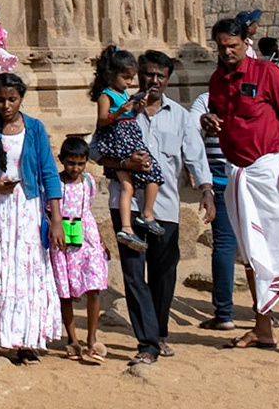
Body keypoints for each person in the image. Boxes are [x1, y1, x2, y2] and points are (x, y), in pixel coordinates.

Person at [205, 17, 279, 357]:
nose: (227, 52)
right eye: (222, 47)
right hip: (238, 175)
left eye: (233, 46)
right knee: (253, 254)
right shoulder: (216, 81)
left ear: (244, 43)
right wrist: (206, 122)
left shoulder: (268, 73)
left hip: (272, 169)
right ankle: (262, 327)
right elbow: (216, 120)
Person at [110, 49, 214, 365]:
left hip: (165, 207)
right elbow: (97, 150)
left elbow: (196, 157)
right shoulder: (120, 111)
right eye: (148, 75)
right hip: (126, 207)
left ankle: (160, 332)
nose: (154, 81)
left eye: (160, 76)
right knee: (132, 274)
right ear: (138, 76)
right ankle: (147, 343)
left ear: (167, 80)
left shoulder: (181, 116)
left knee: (163, 272)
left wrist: (207, 191)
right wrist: (122, 162)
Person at [0, 73, 64, 364]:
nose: (6, 105)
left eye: (12, 99)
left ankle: (25, 341)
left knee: (25, 274)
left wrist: (56, 218)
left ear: (21, 98)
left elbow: (48, 172)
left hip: (27, 207)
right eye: (0, 99)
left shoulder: (34, 129)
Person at [87, 46, 162, 252]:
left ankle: (146, 215)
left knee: (153, 172)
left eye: (131, 78)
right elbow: (102, 121)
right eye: (125, 77)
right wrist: (121, 110)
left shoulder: (123, 92)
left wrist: (137, 107)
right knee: (127, 185)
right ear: (112, 74)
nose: (129, 82)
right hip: (118, 141)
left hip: (130, 137)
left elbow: (131, 115)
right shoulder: (106, 95)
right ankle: (127, 227)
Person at [50, 135, 107, 365]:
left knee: (94, 285)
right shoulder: (55, 182)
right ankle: (72, 339)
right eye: (71, 163)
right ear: (62, 160)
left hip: (86, 236)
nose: (76, 168)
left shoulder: (89, 182)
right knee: (66, 292)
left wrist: (100, 240)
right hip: (62, 239)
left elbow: (88, 208)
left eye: (80, 164)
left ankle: (92, 338)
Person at [188, 86, 238, 331]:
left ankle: (225, 313)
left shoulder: (207, 100)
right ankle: (264, 311)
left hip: (222, 179)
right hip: (244, 179)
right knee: (250, 246)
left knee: (225, 245)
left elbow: (190, 129)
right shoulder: (248, 97)